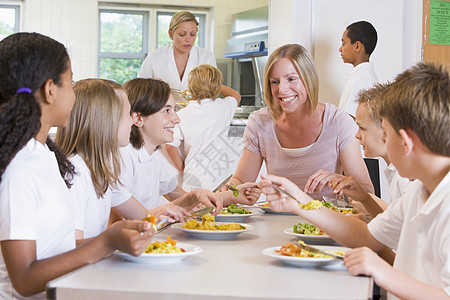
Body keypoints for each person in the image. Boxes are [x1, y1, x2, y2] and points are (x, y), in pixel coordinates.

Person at [259, 62, 450, 300]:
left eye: (386, 134)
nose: (382, 139)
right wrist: (299, 202)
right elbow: (366, 235)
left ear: (406, 142)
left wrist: (382, 272)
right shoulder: (420, 190)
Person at [0, 32, 153, 299]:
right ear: (50, 90)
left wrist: (117, 238)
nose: (74, 94)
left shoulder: (45, 154)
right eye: (70, 83)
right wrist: (106, 242)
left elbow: (57, 247)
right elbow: (24, 280)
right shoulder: (19, 166)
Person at [225, 44, 373, 200]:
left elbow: (367, 193)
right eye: (274, 82)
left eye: (291, 79)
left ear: (309, 78)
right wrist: (222, 195)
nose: (282, 89)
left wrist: (338, 180)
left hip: (327, 221)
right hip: (277, 219)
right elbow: (241, 181)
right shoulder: (260, 123)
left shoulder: (339, 122)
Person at [55, 79, 187, 239]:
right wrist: (113, 241)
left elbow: (143, 217)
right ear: (102, 121)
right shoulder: (75, 173)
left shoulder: (101, 170)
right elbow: (72, 248)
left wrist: (162, 215)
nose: (133, 120)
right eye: (126, 114)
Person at [111, 78, 255, 221]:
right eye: (167, 110)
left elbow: (183, 200)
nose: (177, 119)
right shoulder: (122, 158)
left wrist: (231, 195)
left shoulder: (152, 156)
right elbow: (118, 223)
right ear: (138, 119)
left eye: (174, 110)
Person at [328, 83, 412, 219]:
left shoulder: (405, 179)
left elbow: (401, 230)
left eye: (362, 128)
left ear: (386, 128)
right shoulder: (394, 172)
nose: (357, 135)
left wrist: (370, 202)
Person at [166, 64, 242, 191]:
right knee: (220, 209)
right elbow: (236, 95)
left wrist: (181, 168)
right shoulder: (223, 107)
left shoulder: (182, 114)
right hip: (219, 178)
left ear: (190, 88)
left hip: (193, 176)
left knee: (192, 209)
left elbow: (170, 145)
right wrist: (215, 86)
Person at [138, 11, 216, 102]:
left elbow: (213, 91)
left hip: (197, 113)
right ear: (171, 34)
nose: (188, 39)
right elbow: (140, 90)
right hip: (163, 112)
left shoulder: (207, 57)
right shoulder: (154, 57)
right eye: (182, 34)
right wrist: (152, 86)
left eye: (193, 34)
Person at [338, 21, 378, 117]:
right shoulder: (366, 74)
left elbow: (348, 120)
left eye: (343, 44)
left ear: (357, 46)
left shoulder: (357, 80)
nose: (340, 49)